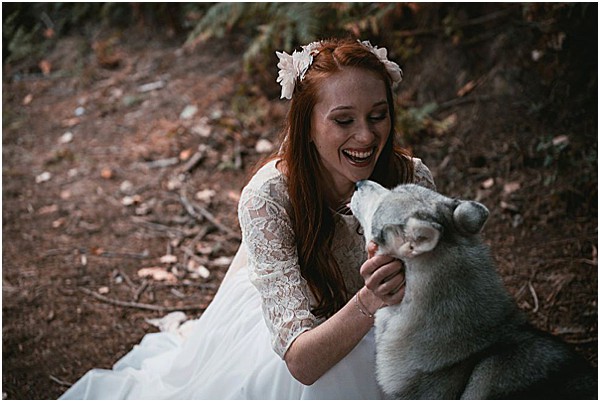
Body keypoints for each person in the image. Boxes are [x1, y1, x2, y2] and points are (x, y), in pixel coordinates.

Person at [60, 37, 435, 399]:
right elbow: (302, 364)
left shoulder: (410, 179)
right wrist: (370, 300)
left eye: (378, 116)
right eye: (343, 121)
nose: (366, 136)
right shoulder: (268, 197)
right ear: (306, 125)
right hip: (299, 340)